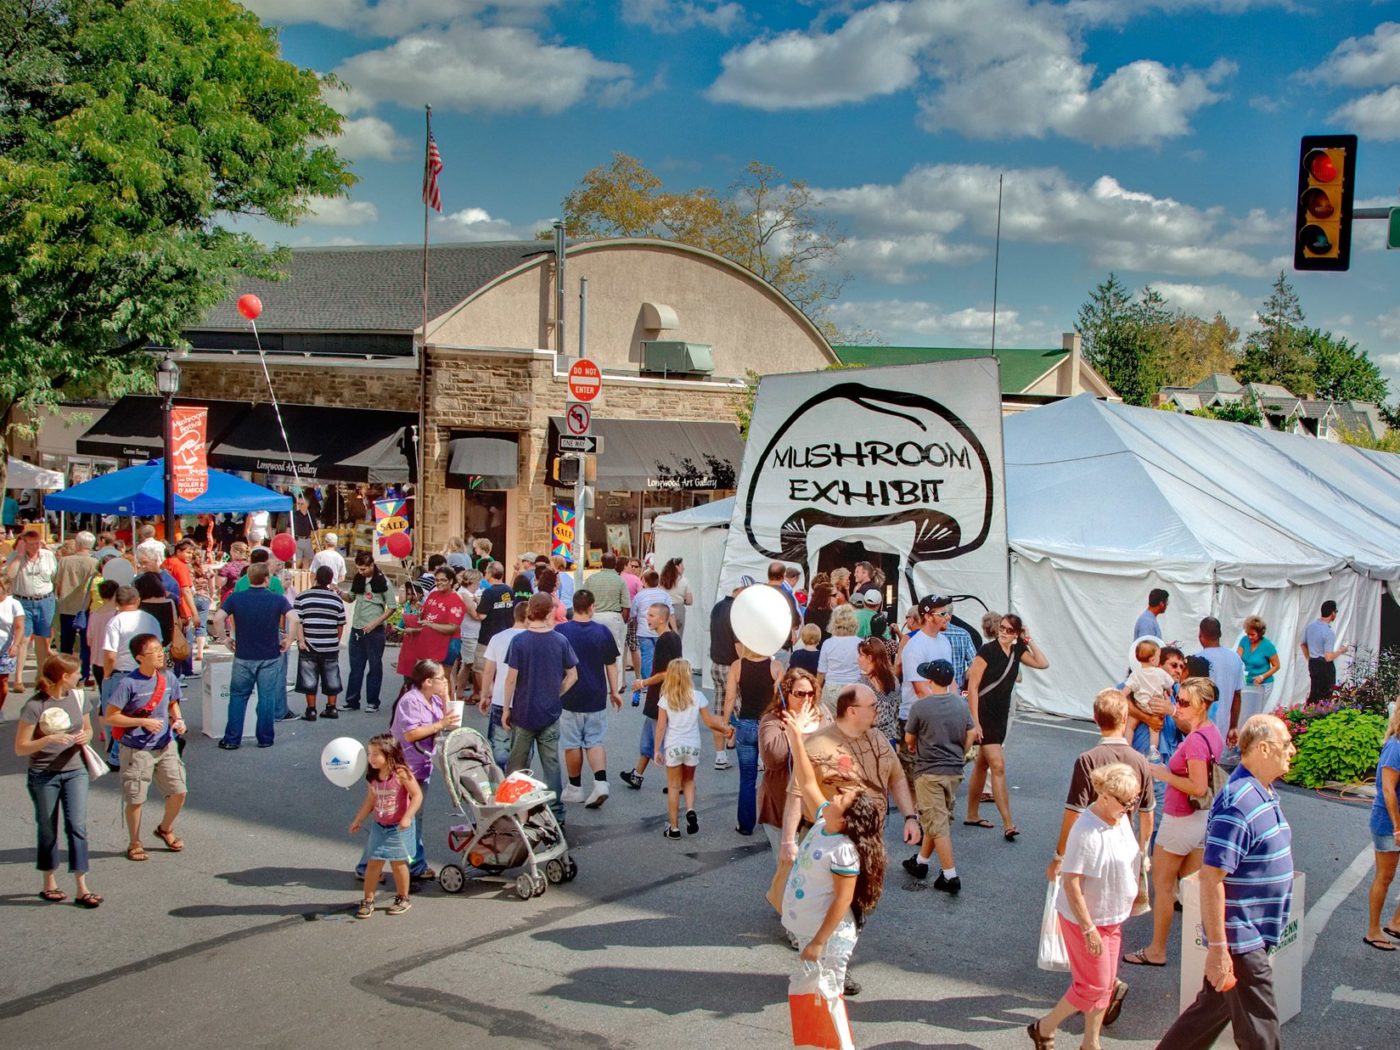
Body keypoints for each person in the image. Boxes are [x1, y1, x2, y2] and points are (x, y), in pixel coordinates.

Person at [1154, 714, 1295, 1050]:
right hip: (1241, 941)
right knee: (1261, 1036)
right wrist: (1219, 949)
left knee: (1206, 1017)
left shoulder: (1261, 791)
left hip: (1249, 936)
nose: (1292, 750)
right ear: (1263, 748)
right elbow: (1211, 877)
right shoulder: (1237, 803)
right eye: (1286, 744)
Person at [1027, 763, 1144, 1050]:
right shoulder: (1085, 830)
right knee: (1092, 986)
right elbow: (1071, 884)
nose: (1130, 807)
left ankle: (1091, 1043)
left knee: (1103, 986)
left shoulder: (1121, 817)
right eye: (1125, 802)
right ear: (1105, 796)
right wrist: (1088, 928)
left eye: (1134, 801)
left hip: (1111, 916)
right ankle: (1044, 1028)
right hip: (1086, 920)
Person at [1051, 690, 1156, 997]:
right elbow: (1148, 813)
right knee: (1114, 916)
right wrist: (1143, 850)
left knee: (1088, 913)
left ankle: (1100, 982)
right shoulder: (1139, 760)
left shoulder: (1088, 760)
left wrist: (1059, 855)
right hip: (1125, 849)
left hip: (1093, 848)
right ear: (1126, 719)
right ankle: (1104, 979)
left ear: (1096, 720)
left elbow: (1073, 812)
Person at [781, 702, 887, 996]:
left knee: (827, 994)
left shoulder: (843, 851)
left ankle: (835, 1040)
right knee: (815, 992)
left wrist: (817, 942)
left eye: (842, 797)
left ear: (845, 821)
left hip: (829, 940)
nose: (836, 793)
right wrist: (796, 739)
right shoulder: (822, 821)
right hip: (811, 930)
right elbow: (807, 780)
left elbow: (843, 900)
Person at [1125, 677, 1223, 967]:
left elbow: (1197, 786)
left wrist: (1163, 773)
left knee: (1164, 887)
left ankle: (1157, 950)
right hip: (1199, 819)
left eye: (1183, 703)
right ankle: (1202, 950)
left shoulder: (1194, 741)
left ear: (1202, 706)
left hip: (1180, 819)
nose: (1177, 706)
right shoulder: (1210, 732)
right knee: (1194, 891)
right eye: (1178, 699)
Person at [14, 654, 101, 907]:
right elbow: (21, 747)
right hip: (43, 774)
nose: (80, 676)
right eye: (76, 673)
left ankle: (82, 886)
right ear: (64, 676)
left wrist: (86, 736)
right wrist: (48, 740)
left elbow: (88, 729)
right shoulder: (35, 705)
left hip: (75, 770)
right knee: (48, 827)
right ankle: (49, 881)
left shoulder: (79, 697)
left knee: (77, 825)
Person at [963, 612, 1049, 840]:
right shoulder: (986, 651)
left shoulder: (1017, 651)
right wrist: (975, 721)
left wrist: (1028, 640)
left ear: (1016, 633)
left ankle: (972, 814)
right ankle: (1008, 823)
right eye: (1002, 628)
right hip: (984, 714)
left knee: (982, 765)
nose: (1003, 632)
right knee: (998, 766)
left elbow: (1043, 663)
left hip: (1000, 715)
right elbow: (973, 687)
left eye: (1009, 630)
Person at [105, 633, 187, 862]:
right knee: (136, 798)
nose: (161, 654)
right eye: (154, 651)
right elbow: (111, 717)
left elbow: (172, 703)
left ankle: (165, 828)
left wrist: (178, 720)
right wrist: (142, 722)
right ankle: (135, 842)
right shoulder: (128, 684)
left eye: (161, 649)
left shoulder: (168, 678)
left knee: (179, 791)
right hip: (136, 749)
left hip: (165, 744)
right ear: (140, 657)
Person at [502, 592, 578, 828]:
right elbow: (572, 675)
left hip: (523, 711)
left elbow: (510, 679)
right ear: (549, 613)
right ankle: (556, 813)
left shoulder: (519, 641)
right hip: (550, 712)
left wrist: (506, 708)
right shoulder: (560, 641)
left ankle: (516, 808)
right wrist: (557, 692)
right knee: (551, 764)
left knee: (517, 764)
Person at [901, 659, 975, 892]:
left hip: (929, 770)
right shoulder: (961, 704)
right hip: (954, 770)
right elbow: (971, 731)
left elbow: (909, 739)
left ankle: (950, 876)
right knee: (939, 818)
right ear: (951, 680)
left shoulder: (921, 707)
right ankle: (921, 862)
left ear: (930, 681)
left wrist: (913, 745)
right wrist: (961, 751)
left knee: (937, 822)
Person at [758, 668, 828, 910]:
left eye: (811, 694)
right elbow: (772, 757)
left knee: (810, 869)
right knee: (789, 866)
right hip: (780, 806)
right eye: (800, 694)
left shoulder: (824, 715)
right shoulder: (773, 720)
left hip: (814, 808)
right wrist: (796, 731)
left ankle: (801, 912)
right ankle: (788, 914)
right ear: (786, 693)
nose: (806, 699)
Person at [387, 659, 459, 882]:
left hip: (421, 765)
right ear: (427, 681)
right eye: (441, 679)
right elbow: (411, 734)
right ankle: (413, 864)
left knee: (408, 816)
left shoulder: (433, 699)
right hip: (405, 766)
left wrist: (446, 696)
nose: (444, 682)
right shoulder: (411, 701)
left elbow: (452, 722)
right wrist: (439, 725)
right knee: (406, 816)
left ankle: (405, 863)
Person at [210, 563, 292, 750]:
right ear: (267, 579)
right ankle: (265, 738)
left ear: (247, 579)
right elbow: (294, 617)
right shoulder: (276, 599)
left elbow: (217, 618)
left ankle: (232, 739)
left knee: (238, 696)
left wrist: (225, 638)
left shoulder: (236, 598)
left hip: (244, 655)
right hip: (269, 655)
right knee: (266, 697)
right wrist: (289, 639)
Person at [557, 589, 623, 809]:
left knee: (572, 743)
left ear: (573, 607)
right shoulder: (602, 632)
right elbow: (611, 664)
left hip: (569, 694)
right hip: (596, 694)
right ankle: (601, 782)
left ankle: (575, 787)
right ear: (592, 606)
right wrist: (614, 691)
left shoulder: (561, 631)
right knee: (594, 740)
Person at [655, 659, 732, 838]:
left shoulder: (665, 699)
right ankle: (690, 809)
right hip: (692, 746)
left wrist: (656, 749)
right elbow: (710, 722)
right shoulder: (697, 696)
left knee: (673, 787)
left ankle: (674, 828)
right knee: (688, 781)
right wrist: (725, 730)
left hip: (673, 745)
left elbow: (660, 726)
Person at [349, 733, 423, 919]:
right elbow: (371, 800)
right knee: (373, 863)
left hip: (399, 827)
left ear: (389, 755)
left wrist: (407, 817)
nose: (371, 758)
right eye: (369, 753)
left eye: (375, 754)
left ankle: (403, 897)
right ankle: (368, 900)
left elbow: (417, 796)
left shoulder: (401, 773)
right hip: (380, 825)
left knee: (398, 864)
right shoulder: (373, 776)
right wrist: (358, 819)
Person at [619, 604, 683, 792]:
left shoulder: (664, 641)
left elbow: (665, 672)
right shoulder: (673, 637)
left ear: (662, 619)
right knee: (648, 737)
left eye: (652, 615)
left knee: (664, 739)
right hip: (663, 696)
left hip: (662, 696)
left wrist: (643, 683)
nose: (647, 618)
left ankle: (676, 782)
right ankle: (637, 775)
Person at [722, 642, 784, 836]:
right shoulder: (776, 667)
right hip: (769, 725)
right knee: (773, 776)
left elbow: (730, 698)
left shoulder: (737, 666)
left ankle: (745, 824)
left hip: (746, 724)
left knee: (747, 778)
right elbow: (780, 698)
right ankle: (777, 819)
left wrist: (725, 723)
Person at [1365, 702, 1400, 950]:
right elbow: (1388, 791)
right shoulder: (1395, 747)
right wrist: (1397, 827)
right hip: (1388, 822)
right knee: (1385, 876)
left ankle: (1396, 922)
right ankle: (1373, 930)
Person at [343, 552, 396, 713]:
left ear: (372, 565)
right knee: (356, 667)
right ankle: (352, 701)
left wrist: (375, 623)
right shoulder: (359, 579)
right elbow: (350, 597)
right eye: (359, 569)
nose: (361, 572)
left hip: (374, 630)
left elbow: (392, 606)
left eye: (364, 569)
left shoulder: (383, 581)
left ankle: (373, 701)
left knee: (374, 667)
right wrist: (338, 592)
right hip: (357, 628)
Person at [6, 528, 59, 689]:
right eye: (31, 544)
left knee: (42, 639)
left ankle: (40, 676)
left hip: (45, 599)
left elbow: (54, 575)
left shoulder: (47, 556)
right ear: (23, 543)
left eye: (37, 543)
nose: (35, 547)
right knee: (23, 639)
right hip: (23, 601)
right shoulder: (14, 557)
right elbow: (10, 575)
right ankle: (18, 679)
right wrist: (19, 556)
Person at [293, 565, 347, 721]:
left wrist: (301, 640)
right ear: (331, 581)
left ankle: (311, 710)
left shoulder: (302, 597)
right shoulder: (336, 599)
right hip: (330, 643)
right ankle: (331, 707)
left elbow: (298, 621)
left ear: (315, 577)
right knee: (331, 675)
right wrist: (335, 641)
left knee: (309, 677)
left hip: (309, 643)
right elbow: (340, 623)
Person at [479, 601, 528, 769]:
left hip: (500, 698)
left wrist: (484, 695)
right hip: (525, 701)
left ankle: (499, 784)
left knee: (499, 747)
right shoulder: (533, 639)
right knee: (523, 750)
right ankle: (520, 783)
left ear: (513, 615)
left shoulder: (498, 638)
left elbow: (488, 671)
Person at [397, 567, 466, 682]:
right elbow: (424, 617)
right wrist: (417, 610)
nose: (439, 583)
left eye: (443, 580)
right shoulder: (433, 595)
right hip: (431, 643)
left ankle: (445, 700)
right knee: (429, 679)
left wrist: (430, 624)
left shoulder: (456, 600)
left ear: (451, 581)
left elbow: (452, 628)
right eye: (437, 580)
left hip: (448, 644)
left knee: (443, 679)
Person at [55, 531, 98, 683]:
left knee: (66, 643)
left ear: (78, 543)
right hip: (86, 608)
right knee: (86, 644)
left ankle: (63, 673)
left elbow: (57, 583)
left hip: (67, 606)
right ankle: (84, 674)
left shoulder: (64, 561)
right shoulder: (95, 563)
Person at [707, 581, 742, 769]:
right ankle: (756, 758)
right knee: (744, 711)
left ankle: (720, 756)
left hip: (716, 664)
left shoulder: (718, 607)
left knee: (720, 712)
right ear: (739, 591)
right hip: (731, 666)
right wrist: (746, 665)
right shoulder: (736, 611)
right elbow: (738, 644)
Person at [1196, 618, 1246, 748]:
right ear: (1220, 635)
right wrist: (1233, 726)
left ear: (1200, 635)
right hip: (1223, 730)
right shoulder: (1235, 659)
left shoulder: (1197, 659)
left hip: (1199, 728)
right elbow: (1237, 695)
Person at [1124, 638, 1175, 762]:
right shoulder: (1160, 673)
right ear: (1153, 659)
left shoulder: (1135, 674)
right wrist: (1169, 690)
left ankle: (1126, 746)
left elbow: (1126, 690)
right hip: (1154, 707)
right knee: (1155, 730)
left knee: (1130, 726)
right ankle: (1153, 750)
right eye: (1158, 656)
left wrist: (1120, 695)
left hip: (1140, 705)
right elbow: (1169, 684)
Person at [584, 552, 629, 686]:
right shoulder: (620, 580)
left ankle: (596, 681)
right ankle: (616, 684)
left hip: (595, 615)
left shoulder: (591, 579)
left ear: (601, 563)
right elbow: (626, 605)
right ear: (615, 564)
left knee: (594, 650)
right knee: (617, 650)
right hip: (613, 616)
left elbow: (584, 598)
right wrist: (623, 620)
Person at [629, 569, 673, 685]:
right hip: (661, 630)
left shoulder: (639, 595)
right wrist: (674, 630)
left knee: (646, 656)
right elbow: (670, 612)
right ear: (658, 581)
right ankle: (662, 681)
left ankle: (648, 683)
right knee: (663, 656)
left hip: (644, 630)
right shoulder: (664, 595)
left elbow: (633, 613)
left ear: (645, 582)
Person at [816, 604, 863, 711]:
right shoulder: (860, 643)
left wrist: (817, 691)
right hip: (854, 687)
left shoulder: (828, 643)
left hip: (831, 688)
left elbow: (821, 672)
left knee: (831, 724)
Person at [1301, 600, 1348, 703]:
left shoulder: (1310, 627)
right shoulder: (1328, 632)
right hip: (1324, 666)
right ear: (1332, 613)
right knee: (1326, 694)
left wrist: (1309, 658)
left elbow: (1303, 644)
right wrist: (1341, 650)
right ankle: (1322, 714)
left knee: (1314, 692)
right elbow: (1328, 657)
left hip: (1313, 662)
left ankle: (1309, 713)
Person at [453, 568, 484, 701]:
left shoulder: (473, 592)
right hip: (469, 632)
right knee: (470, 663)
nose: (480, 584)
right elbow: (476, 615)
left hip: (476, 632)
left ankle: (474, 692)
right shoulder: (463, 594)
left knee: (472, 663)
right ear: (472, 581)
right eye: (478, 581)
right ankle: (460, 692)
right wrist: (479, 603)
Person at [1236, 615, 1280, 709]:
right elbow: (1237, 659)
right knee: (1244, 708)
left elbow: (1276, 666)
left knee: (1256, 709)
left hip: (1263, 684)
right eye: (1248, 634)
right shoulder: (1244, 640)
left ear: (1260, 633)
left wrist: (1262, 676)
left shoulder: (1267, 645)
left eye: (1253, 635)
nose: (1250, 637)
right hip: (1247, 682)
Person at [0, 575, 25, 709]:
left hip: (6, 647)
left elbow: (20, 627)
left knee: (3, 682)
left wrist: (15, 645)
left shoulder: (14, 604)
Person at [659, 557, 693, 636]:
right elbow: (689, 601)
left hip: (664, 609)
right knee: (677, 637)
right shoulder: (684, 581)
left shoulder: (662, 580)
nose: (684, 568)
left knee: (664, 637)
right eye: (682, 566)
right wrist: (682, 599)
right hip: (678, 610)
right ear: (677, 567)